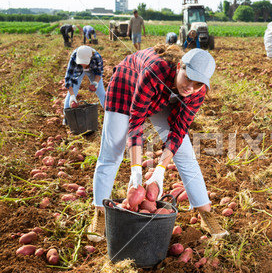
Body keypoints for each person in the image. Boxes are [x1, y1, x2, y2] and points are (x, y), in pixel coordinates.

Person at [88, 44, 227, 242]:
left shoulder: (196, 92)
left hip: (163, 95)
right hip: (126, 86)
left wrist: (160, 170)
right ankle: (100, 213)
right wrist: (136, 170)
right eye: (188, 78)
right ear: (179, 66)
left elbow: (178, 133)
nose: (191, 87)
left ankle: (206, 214)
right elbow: (136, 124)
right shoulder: (154, 72)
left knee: (185, 153)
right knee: (113, 150)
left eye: (198, 84)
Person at [63, 45, 105, 114]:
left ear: (90, 58)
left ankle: (108, 113)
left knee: (101, 92)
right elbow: (68, 78)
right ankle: (67, 118)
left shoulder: (97, 57)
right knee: (73, 90)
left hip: (92, 70)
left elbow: (99, 72)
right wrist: (72, 96)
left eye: (84, 63)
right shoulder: (74, 56)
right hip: (78, 70)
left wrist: (95, 83)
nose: (83, 66)